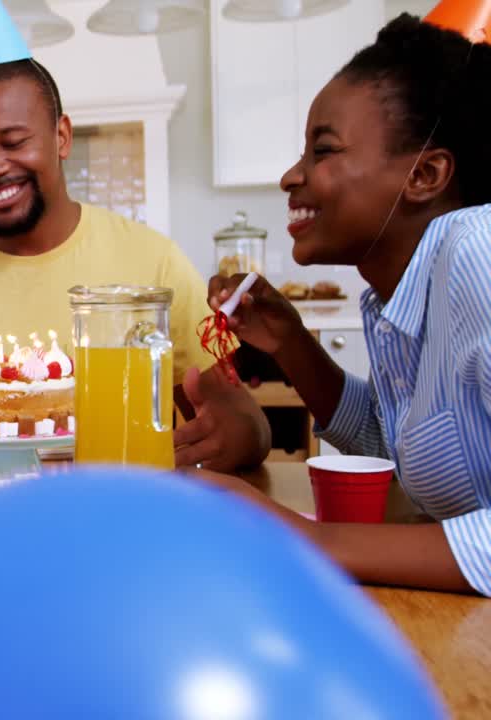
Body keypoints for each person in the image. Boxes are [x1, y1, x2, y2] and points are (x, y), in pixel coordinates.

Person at [0, 3, 270, 471]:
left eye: (14, 143)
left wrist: (242, 432)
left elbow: (241, 421)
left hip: (122, 512)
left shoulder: (154, 264)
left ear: (61, 137)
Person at [204, 13, 491, 595]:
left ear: (426, 173)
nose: (291, 176)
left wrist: (293, 534)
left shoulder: (477, 255)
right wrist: (290, 341)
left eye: (322, 150)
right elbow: (397, 447)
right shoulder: (393, 299)